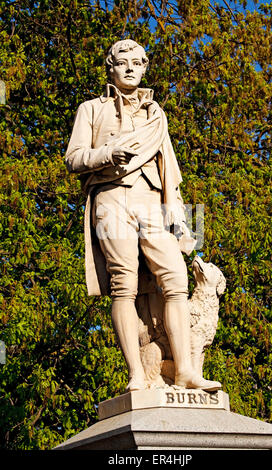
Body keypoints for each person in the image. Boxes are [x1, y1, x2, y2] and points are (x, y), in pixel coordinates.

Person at [65, 39, 221, 392]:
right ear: (111, 67)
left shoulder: (156, 114)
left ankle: (185, 371)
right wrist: (107, 153)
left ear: (145, 67)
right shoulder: (91, 109)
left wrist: (179, 218)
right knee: (124, 284)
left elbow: (171, 172)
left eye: (137, 62)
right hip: (111, 197)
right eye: (123, 62)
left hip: (152, 200)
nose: (131, 68)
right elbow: (73, 158)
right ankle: (136, 372)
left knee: (176, 278)